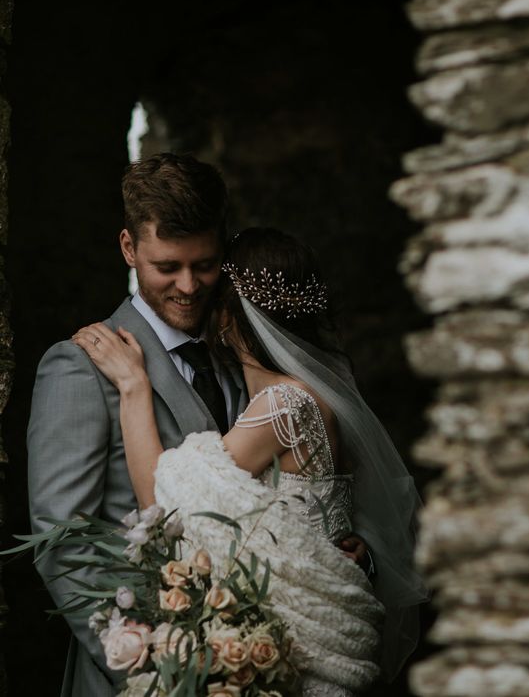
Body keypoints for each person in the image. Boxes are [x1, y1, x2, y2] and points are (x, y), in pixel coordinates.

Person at [26, 153, 370, 697]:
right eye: (167, 267)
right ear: (129, 249)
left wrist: (340, 555)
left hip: (269, 667)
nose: (189, 286)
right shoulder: (80, 368)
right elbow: (62, 542)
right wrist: (162, 664)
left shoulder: (243, 353)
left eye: (205, 264)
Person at [73, 227, 428, 695]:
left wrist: (134, 385)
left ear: (229, 316)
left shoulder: (284, 405)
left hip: (297, 659)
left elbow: (165, 504)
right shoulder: (304, 397)